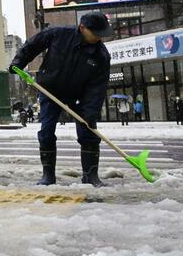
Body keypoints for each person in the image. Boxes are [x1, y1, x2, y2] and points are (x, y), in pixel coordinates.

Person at [9, 11, 113, 187]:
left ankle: (90, 176)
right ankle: (48, 175)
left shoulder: (101, 56)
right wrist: (19, 62)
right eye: (95, 33)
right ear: (83, 27)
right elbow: (33, 44)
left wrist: (90, 113)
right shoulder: (60, 34)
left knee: (89, 132)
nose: (98, 38)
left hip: (80, 95)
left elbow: (97, 88)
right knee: (46, 132)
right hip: (50, 89)